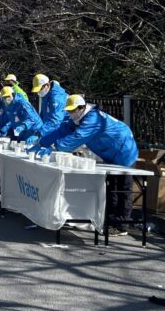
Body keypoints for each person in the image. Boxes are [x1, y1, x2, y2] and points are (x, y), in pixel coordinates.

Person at [37, 94, 139, 236]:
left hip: (124, 149)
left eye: (72, 110)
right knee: (111, 186)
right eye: (69, 111)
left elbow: (78, 137)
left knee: (122, 187)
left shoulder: (93, 119)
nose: (70, 113)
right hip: (110, 151)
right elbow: (62, 131)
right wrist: (41, 142)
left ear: (81, 108)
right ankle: (110, 220)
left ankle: (122, 225)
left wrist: (55, 147)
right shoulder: (79, 118)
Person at [32, 73, 68, 139]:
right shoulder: (46, 94)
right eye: (37, 90)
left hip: (65, 128)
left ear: (47, 85)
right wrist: (38, 129)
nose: (38, 92)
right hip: (51, 128)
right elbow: (43, 114)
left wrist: (39, 133)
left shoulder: (56, 98)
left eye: (40, 89)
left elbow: (56, 121)